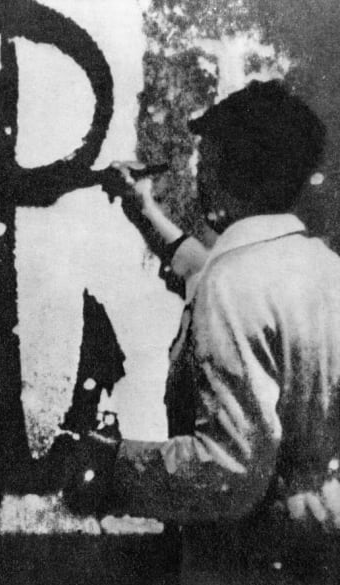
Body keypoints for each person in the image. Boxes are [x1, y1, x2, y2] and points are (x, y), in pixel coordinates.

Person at [63, 80, 340, 584]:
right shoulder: (320, 267)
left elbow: (227, 471)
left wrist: (110, 464)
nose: (197, 169)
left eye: (204, 157)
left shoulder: (232, 281)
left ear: (231, 168)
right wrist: (144, 212)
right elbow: (208, 273)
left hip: (248, 559)